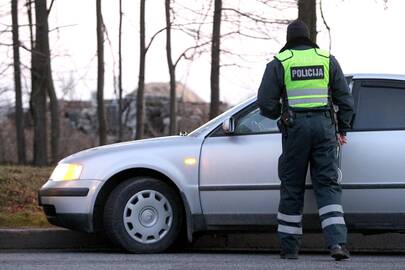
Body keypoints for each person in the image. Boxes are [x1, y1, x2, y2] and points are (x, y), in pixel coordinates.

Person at [257, 19, 354, 260]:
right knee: (328, 186)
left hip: (295, 129)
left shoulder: (280, 62)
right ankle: (337, 244)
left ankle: (290, 249)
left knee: (292, 186)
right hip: (324, 128)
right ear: (309, 38)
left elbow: (265, 103)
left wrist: (281, 113)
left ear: (289, 39)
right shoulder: (326, 59)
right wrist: (342, 129)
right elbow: (345, 101)